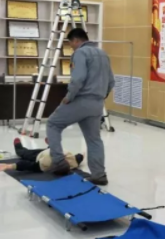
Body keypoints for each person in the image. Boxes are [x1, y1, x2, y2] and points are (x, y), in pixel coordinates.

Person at [46, 28, 115, 185]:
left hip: (81, 100)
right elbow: (111, 81)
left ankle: (59, 162)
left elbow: (78, 79)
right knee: (94, 140)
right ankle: (99, 175)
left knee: (53, 124)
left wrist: (69, 97)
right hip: (97, 104)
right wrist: (101, 96)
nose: (71, 47)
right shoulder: (103, 54)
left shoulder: (80, 53)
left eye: (70, 43)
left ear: (76, 40)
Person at [0, 138, 83, 173]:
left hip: (45, 153)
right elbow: (80, 156)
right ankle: (18, 147)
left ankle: (18, 146)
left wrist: (8, 166)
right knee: (24, 153)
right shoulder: (73, 160)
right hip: (46, 152)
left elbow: (27, 165)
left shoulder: (45, 164)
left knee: (25, 153)